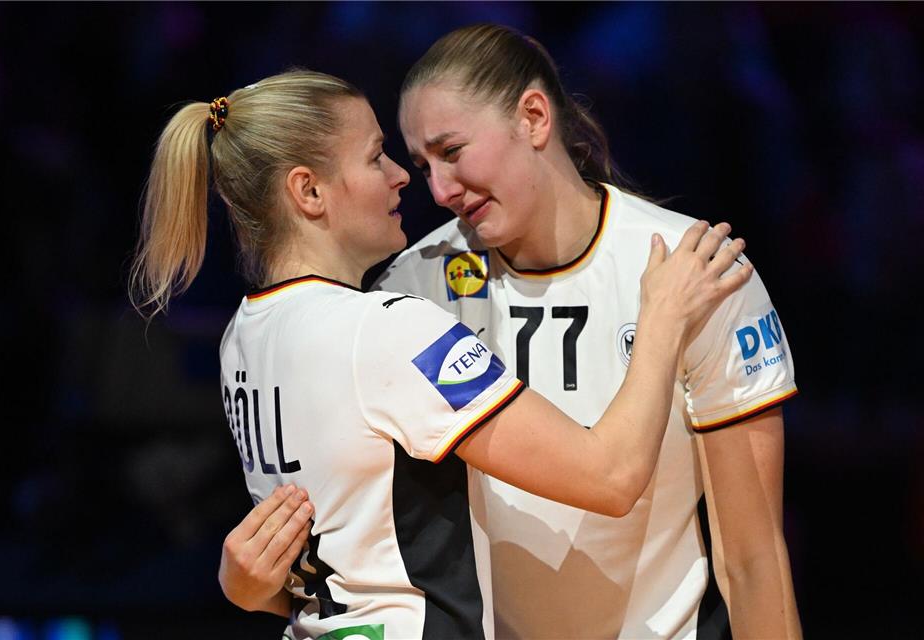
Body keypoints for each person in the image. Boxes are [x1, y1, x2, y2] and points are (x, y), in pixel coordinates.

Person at [220, 25, 802, 640]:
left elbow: (754, 559)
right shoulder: (405, 289)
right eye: (419, 165)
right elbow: (349, 565)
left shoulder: (691, 271)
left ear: (532, 117)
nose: (437, 191)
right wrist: (251, 585)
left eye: (452, 152)